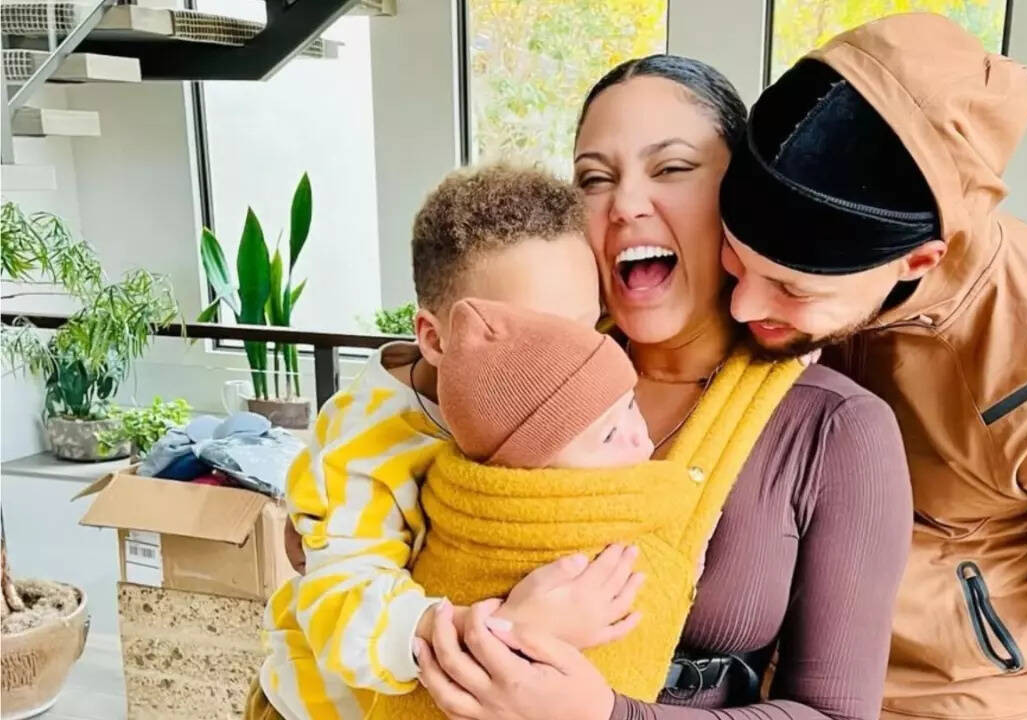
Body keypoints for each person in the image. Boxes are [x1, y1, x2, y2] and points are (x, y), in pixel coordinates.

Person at [717, 14, 1027, 719]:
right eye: (736, 260)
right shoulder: (779, 289)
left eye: (792, 288)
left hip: (937, 696)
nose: (742, 306)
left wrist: (977, 630)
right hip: (754, 669)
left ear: (917, 261)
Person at [416, 55, 913, 720]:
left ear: (738, 196)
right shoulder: (504, 381)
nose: (625, 205)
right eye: (594, 179)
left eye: (672, 168)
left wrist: (605, 715)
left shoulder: (835, 427)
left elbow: (835, 714)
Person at [252, 165, 649, 720]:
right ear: (435, 339)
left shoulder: (566, 391)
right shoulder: (361, 448)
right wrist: (510, 629)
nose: (576, 360)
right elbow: (340, 609)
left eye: (587, 329)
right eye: (536, 338)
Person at [382, 297, 802, 720]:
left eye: (631, 406)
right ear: (532, 472)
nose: (638, 436)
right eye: (609, 436)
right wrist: (516, 634)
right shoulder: (556, 520)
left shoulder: (449, 492)